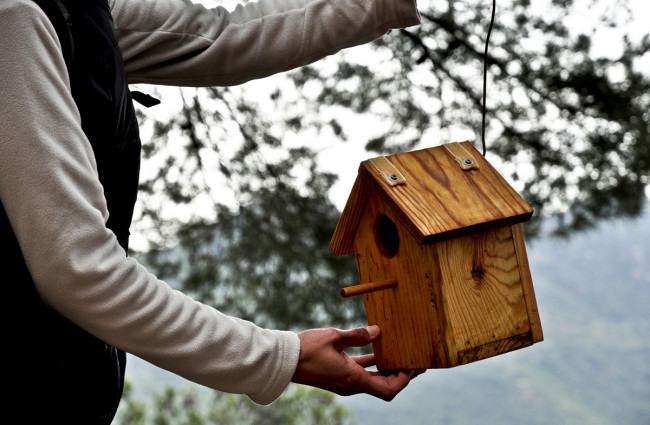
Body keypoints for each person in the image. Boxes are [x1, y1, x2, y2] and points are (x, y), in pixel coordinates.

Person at [0, 0, 421, 423]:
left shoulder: (76, 8)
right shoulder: (14, 17)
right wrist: (281, 357)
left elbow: (225, 35)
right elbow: (79, 269)